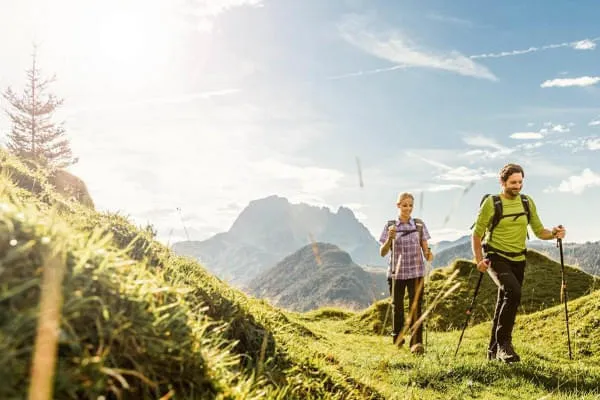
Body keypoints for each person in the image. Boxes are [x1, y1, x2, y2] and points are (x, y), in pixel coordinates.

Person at [471, 163, 566, 363]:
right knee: (513, 292)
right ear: (502, 182)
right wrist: (479, 260)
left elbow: (540, 231)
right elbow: (477, 234)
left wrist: (554, 233)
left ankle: (492, 351)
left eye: (520, 182)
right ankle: (505, 345)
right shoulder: (492, 203)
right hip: (496, 257)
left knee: (503, 302)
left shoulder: (526, 202)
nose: (517, 186)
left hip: (518, 259)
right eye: (513, 182)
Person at [380, 192, 434, 355]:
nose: (408, 208)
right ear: (398, 206)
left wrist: (429, 254)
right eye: (404, 205)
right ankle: (398, 337)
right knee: (397, 307)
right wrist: (390, 238)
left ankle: (416, 343)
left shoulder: (418, 225)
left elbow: (426, 250)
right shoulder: (390, 226)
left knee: (416, 307)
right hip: (396, 274)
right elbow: (382, 252)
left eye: (410, 205)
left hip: (416, 272)